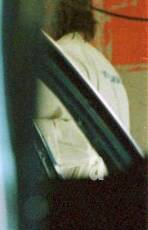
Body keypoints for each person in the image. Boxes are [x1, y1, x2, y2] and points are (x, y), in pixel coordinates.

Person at [39, 0, 133, 178]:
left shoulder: (64, 58)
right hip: (105, 185)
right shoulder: (105, 65)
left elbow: (19, 111)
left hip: (75, 192)